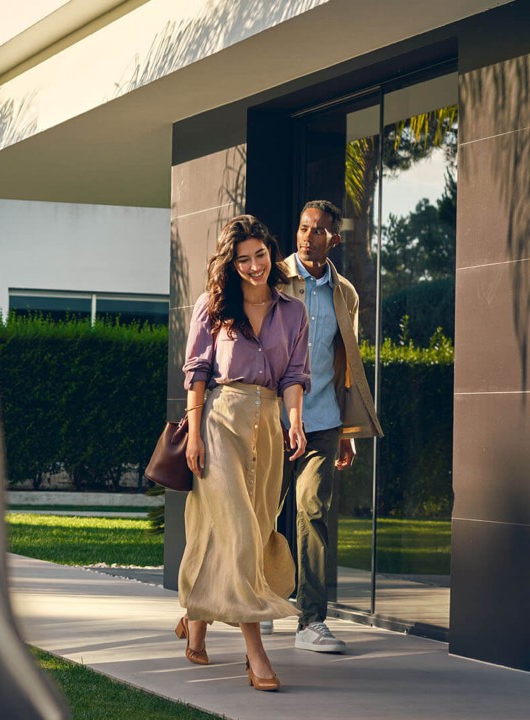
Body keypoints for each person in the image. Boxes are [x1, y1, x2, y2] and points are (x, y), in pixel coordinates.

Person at [176, 214, 308, 692]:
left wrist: (294, 421)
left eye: (260, 255)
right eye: (242, 259)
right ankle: (256, 655)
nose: (253, 266)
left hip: (268, 428)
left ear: (271, 253)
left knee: (248, 526)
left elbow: (295, 376)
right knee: (238, 533)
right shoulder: (212, 307)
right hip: (218, 423)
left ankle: (196, 613)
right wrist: (193, 432)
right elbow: (196, 373)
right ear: (230, 265)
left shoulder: (293, 312)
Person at [275, 200, 383, 652]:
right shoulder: (276, 279)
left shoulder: (346, 294)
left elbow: (345, 364)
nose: (307, 236)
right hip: (273, 419)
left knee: (312, 512)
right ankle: (260, 604)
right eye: (302, 228)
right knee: (263, 515)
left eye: (318, 230)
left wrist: (348, 433)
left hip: (322, 422)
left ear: (333, 239)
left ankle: (310, 622)